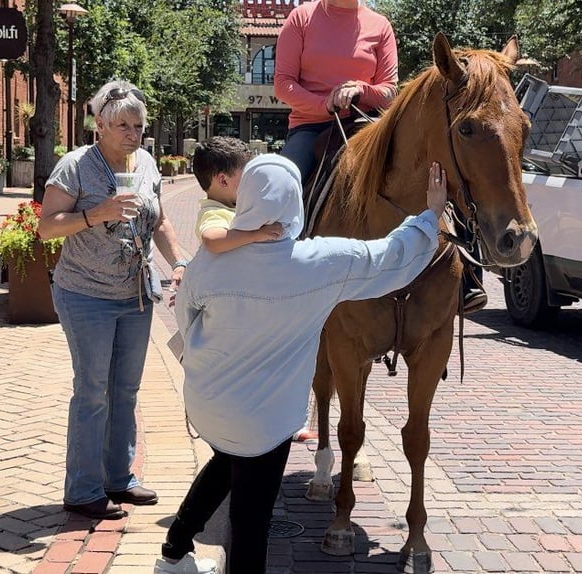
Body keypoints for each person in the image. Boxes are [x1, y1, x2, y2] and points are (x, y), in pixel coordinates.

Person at [158, 153, 448, 574]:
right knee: (251, 518)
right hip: (268, 420)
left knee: (225, 460)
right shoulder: (322, 260)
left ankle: (173, 554)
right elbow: (391, 256)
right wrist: (430, 215)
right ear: (296, 201)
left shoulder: (209, 263)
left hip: (212, 404)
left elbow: (185, 319)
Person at [39, 79, 190, 522]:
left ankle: (118, 479)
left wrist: (178, 263)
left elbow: (159, 220)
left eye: (137, 125)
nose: (131, 133)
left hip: (135, 294)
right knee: (92, 391)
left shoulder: (145, 163)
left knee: (125, 390)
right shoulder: (75, 166)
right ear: (99, 125)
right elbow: (47, 227)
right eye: (121, 124)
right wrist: (96, 214)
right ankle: (82, 490)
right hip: (85, 292)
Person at [274, 0, 399, 184]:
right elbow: (283, 84)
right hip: (312, 128)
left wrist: (360, 91)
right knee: (280, 184)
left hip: (367, 125)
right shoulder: (300, 18)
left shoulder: (381, 26)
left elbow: (389, 92)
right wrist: (325, 105)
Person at [190, 136, 283, 253]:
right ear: (223, 180)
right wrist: (255, 235)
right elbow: (211, 240)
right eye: (246, 176)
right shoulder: (213, 213)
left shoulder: (232, 207)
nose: (251, 182)